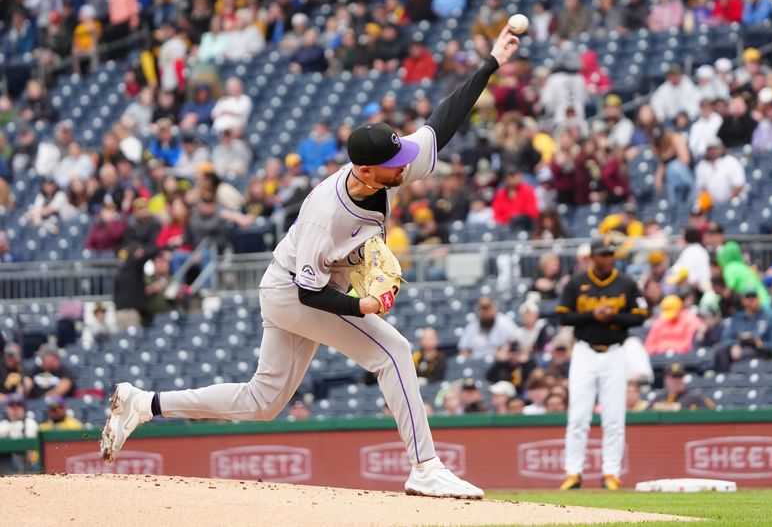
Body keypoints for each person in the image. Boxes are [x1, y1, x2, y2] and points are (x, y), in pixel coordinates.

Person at [100, 26, 523, 500]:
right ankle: (425, 467)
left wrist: (491, 61)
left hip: (296, 284)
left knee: (263, 401)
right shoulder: (328, 212)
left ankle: (143, 403)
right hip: (294, 291)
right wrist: (361, 307)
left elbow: (440, 126)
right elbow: (308, 293)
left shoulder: (385, 169)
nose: (406, 163)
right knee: (394, 352)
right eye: (396, 160)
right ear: (366, 170)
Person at [556, 238, 648, 490]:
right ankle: (573, 473)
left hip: (616, 352)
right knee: (578, 417)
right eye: (603, 254)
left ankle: (611, 473)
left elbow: (640, 316)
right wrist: (592, 315)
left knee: (614, 418)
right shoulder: (577, 283)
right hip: (585, 352)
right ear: (592, 257)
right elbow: (563, 315)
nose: (608, 258)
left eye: (611, 253)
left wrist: (613, 316)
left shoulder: (626, 283)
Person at [714, 287, 772, 371]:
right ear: (743, 300)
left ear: (758, 299)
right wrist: (734, 345)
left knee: (746, 353)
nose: (751, 300)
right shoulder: (737, 318)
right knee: (719, 350)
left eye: (753, 297)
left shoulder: (769, 318)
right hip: (739, 348)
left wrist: (761, 344)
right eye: (748, 298)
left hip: (760, 352)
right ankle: (723, 380)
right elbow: (725, 338)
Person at [694, 137, 746, 206]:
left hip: (734, 202)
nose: (713, 151)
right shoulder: (702, 165)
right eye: (710, 148)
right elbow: (702, 188)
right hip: (712, 205)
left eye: (715, 148)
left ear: (721, 148)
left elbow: (739, 185)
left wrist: (727, 203)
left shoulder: (731, 161)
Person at [650, 364, 715, 411]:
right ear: (666, 380)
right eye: (674, 377)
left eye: (680, 376)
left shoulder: (695, 396)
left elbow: (713, 411)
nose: (678, 380)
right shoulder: (660, 397)